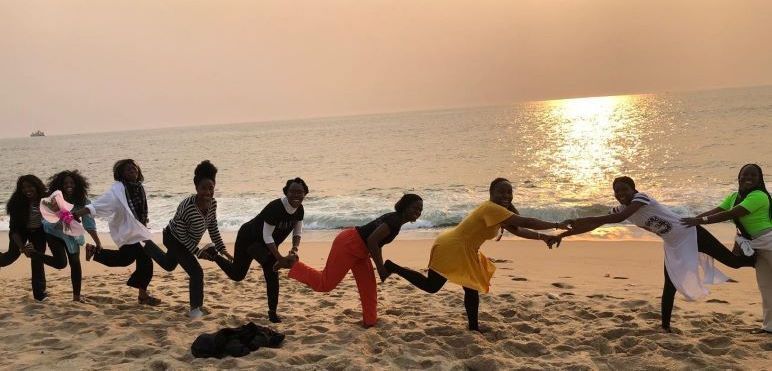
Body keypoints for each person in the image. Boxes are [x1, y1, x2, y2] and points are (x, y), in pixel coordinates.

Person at [559, 176, 754, 332]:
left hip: (691, 233)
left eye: (624, 189)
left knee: (734, 262)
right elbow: (599, 223)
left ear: (633, 189)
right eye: (617, 191)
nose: (620, 194)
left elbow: (618, 218)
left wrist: (580, 219)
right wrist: (566, 233)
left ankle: (755, 252)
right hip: (674, 245)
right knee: (669, 286)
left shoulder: (641, 198)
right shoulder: (622, 207)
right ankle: (665, 327)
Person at [385, 178, 565, 331]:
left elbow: (519, 230)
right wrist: (557, 224)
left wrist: (543, 237)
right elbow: (527, 221)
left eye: (509, 192)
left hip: (465, 248)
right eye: (501, 192)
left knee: (471, 288)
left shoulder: (499, 212)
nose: (506, 196)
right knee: (432, 286)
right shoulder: (490, 209)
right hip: (453, 247)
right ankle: (393, 267)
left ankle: (473, 327)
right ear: (491, 193)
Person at [274, 194, 423, 327]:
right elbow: (372, 241)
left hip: (361, 251)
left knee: (369, 287)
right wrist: (381, 268)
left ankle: (370, 322)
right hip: (349, 244)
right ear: (405, 207)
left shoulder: (396, 220)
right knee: (325, 284)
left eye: (420, 210)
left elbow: (377, 242)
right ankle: (293, 264)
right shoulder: (394, 221)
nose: (418, 212)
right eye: (415, 208)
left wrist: (379, 264)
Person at [681, 164, 772, 334]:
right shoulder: (734, 196)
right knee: (766, 286)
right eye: (744, 175)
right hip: (754, 245)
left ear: (760, 179)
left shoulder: (759, 196)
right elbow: (718, 210)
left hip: (769, 241)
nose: (748, 178)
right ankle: (769, 327)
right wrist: (691, 220)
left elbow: (731, 214)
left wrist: (700, 222)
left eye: (753, 175)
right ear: (738, 177)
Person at [211, 178, 307, 323]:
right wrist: (279, 258)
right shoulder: (275, 208)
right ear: (286, 192)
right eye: (292, 191)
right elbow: (267, 235)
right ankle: (213, 254)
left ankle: (272, 313)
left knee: (271, 270)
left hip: (265, 244)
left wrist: (294, 249)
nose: (296, 195)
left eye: (300, 192)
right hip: (249, 238)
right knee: (238, 275)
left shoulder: (300, 210)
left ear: (305, 193)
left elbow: (297, 231)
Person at [142, 160, 227, 318]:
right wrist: (197, 252)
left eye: (211, 188)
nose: (208, 192)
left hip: (187, 241)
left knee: (169, 265)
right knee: (196, 272)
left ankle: (147, 246)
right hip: (173, 238)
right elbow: (181, 235)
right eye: (203, 188)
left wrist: (223, 249)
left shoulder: (213, 204)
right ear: (196, 188)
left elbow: (212, 226)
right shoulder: (187, 205)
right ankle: (195, 309)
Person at [73, 159, 161, 305]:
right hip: (126, 232)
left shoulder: (139, 187)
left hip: (136, 231)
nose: (132, 170)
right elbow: (97, 205)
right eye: (128, 169)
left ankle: (94, 251)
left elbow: (140, 210)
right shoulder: (117, 191)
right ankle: (143, 296)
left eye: (134, 168)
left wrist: (144, 224)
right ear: (121, 174)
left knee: (129, 259)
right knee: (141, 260)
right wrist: (77, 214)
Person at [1, 175, 67, 301]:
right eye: (23, 187)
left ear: (37, 186)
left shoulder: (47, 198)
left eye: (30, 186)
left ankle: (40, 295)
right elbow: (14, 229)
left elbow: (59, 212)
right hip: (20, 232)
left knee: (37, 258)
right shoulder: (16, 202)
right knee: (9, 257)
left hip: (38, 232)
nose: (27, 190)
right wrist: (22, 247)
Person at [43, 170, 102, 302]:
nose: (69, 185)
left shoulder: (83, 201)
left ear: (77, 184)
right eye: (65, 183)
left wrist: (97, 242)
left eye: (72, 183)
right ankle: (35, 256)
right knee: (61, 263)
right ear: (60, 185)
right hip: (54, 233)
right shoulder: (55, 199)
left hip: (72, 236)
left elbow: (89, 224)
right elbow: (48, 221)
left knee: (75, 263)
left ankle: (76, 297)